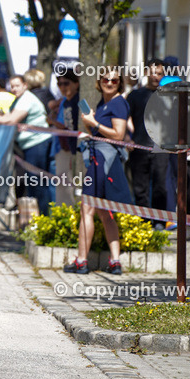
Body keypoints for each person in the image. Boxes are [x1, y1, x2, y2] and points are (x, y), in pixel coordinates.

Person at [63, 67, 133, 275]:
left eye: (114, 80)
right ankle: (114, 261)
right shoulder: (105, 104)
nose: (109, 83)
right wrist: (90, 125)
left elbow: (118, 135)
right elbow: (101, 133)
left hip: (103, 162)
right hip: (100, 161)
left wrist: (93, 123)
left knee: (88, 209)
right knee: (104, 212)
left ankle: (82, 260)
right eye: (106, 79)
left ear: (119, 83)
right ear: (99, 80)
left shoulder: (119, 103)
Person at [0, 71, 54, 224]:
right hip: (28, 145)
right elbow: (10, 118)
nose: (14, 89)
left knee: (37, 185)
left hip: (37, 144)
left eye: (17, 86)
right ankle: (35, 222)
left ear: (25, 85)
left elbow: (10, 120)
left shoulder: (27, 99)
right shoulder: (18, 100)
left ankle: (44, 222)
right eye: (12, 86)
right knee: (29, 184)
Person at [126, 59, 168, 225]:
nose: (155, 76)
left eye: (159, 73)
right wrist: (128, 137)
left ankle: (159, 222)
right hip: (140, 146)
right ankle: (143, 222)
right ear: (146, 73)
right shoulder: (136, 95)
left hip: (161, 147)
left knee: (160, 186)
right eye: (152, 72)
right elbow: (125, 116)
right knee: (140, 188)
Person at [48, 67, 82, 208]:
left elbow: (88, 123)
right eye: (59, 84)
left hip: (79, 150)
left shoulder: (80, 101)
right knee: (62, 186)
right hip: (64, 148)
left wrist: (53, 122)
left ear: (76, 83)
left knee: (76, 187)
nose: (62, 87)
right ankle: (64, 215)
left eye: (66, 83)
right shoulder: (64, 101)